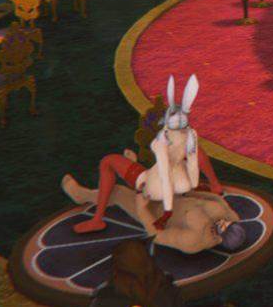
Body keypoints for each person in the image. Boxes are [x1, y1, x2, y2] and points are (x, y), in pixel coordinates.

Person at [73, 75, 224, 235]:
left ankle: (97, 219)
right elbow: (192, 161)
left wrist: (167, 213)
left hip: (153, 188)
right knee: (193, 152)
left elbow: (165, 176)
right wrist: (194, 184)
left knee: (108, 162)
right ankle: (215, 185)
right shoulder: (190, 134)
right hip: (181, 183)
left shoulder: (163, 141)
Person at [62, 169, 246, 255]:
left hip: (156, 211)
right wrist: (190, 191)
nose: (222, 222)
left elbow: (156, 235)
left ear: (219, 239)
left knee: (118, 192)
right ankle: (133, 168)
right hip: (175, 195)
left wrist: (142, 209)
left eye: (222, 228)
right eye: (227, 223)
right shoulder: (229, 215)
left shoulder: (193, 241)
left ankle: (81, 195)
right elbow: (216, 200)